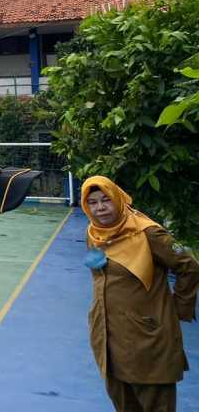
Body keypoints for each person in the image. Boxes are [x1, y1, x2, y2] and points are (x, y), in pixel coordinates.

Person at [81, 176, 198, 412]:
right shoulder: (95, 233)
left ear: (118, 198)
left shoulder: (147, 233)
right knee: (124, 404)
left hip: (147, 338)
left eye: (106, 200)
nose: (100, 208)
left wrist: (177, 310)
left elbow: (189, 266)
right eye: (92, 202)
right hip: (109, 336)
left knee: (155, 403)